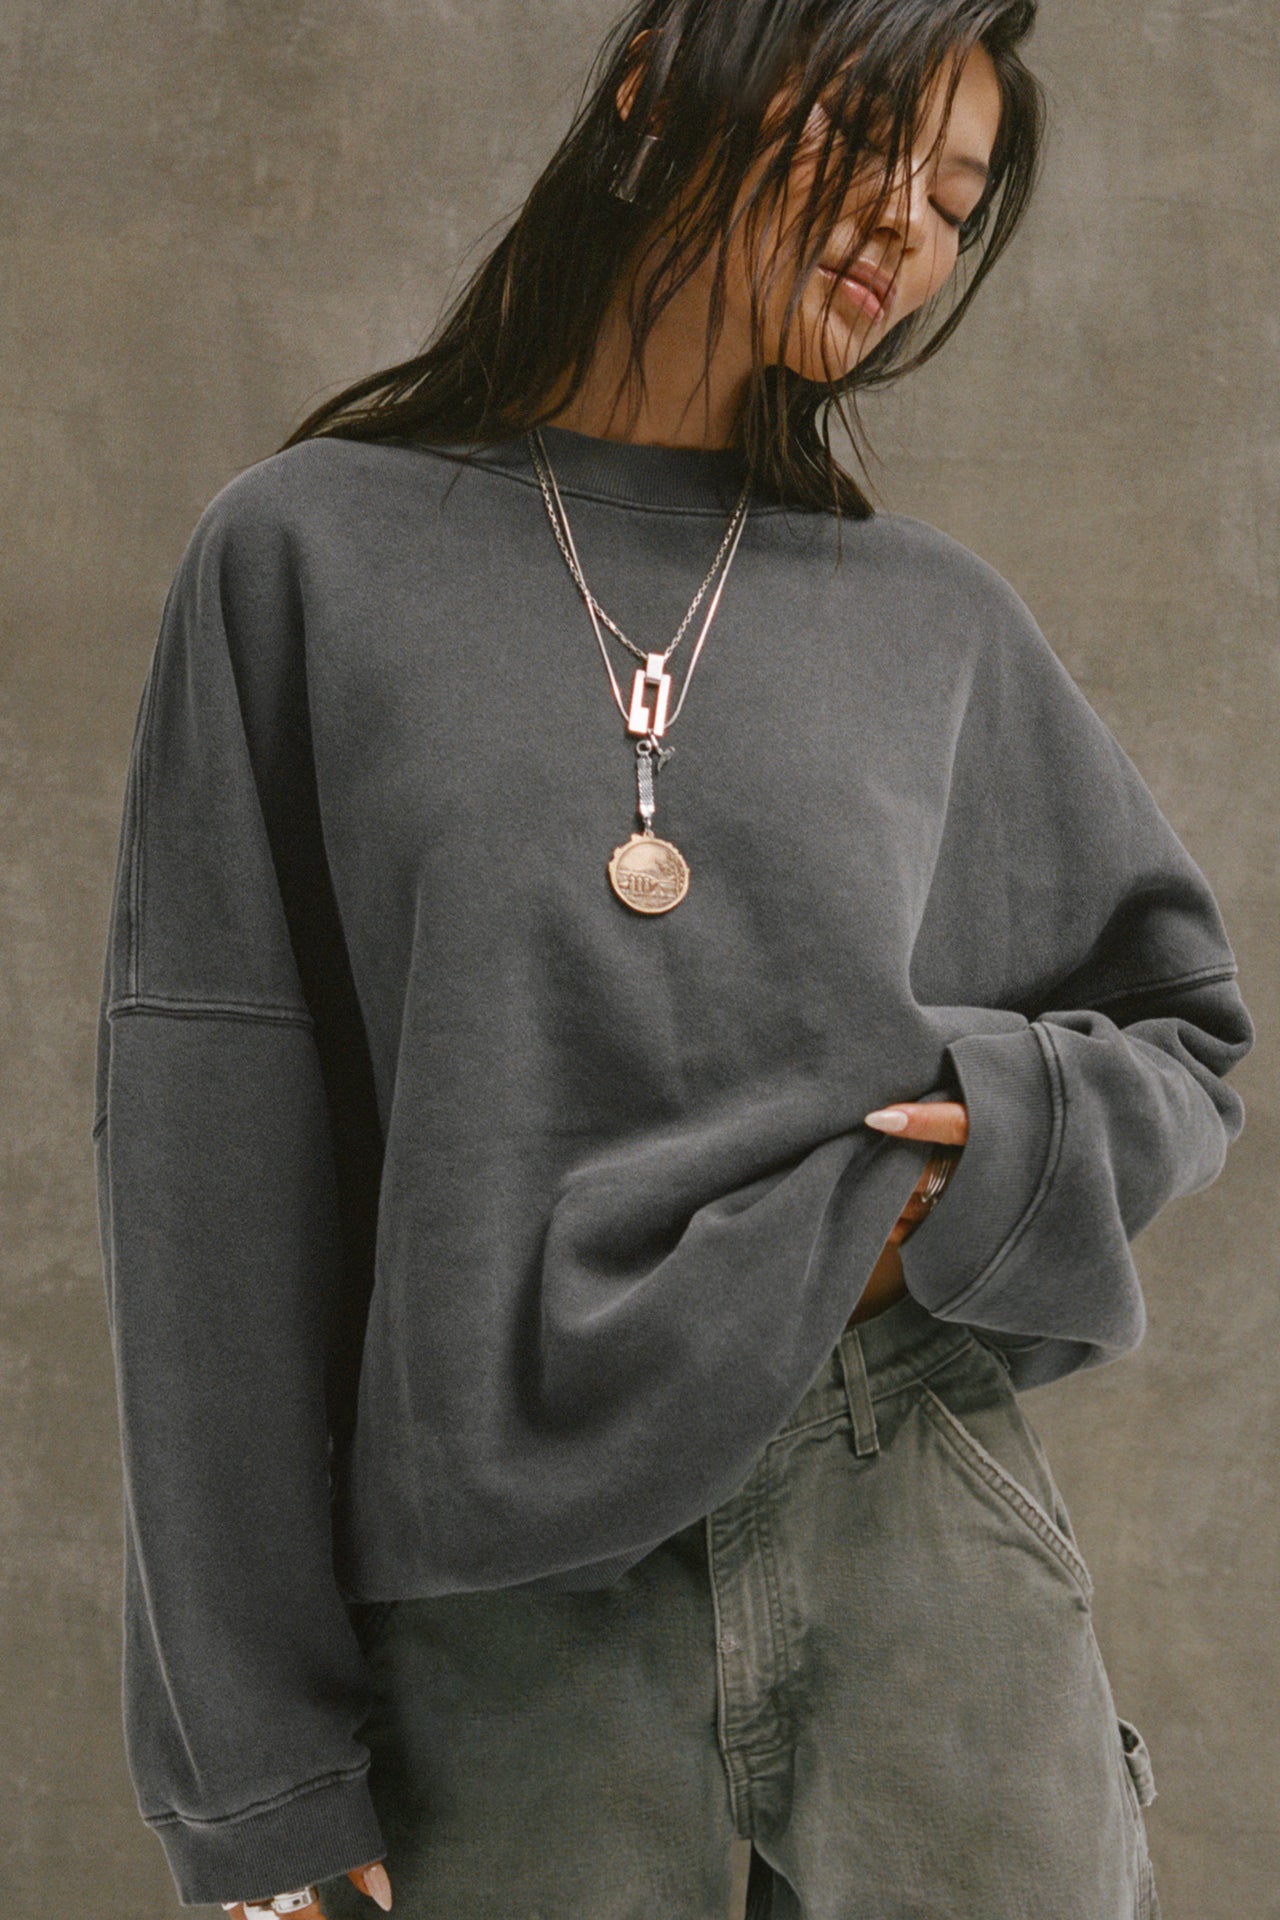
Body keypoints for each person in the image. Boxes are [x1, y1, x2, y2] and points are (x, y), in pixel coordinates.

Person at [92, 2, 1252, 1915]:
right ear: (654, 81)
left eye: (956, 200)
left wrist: (966, 1167)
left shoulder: (930, 621)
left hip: (909, 1520)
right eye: (869, 141)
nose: (905, 226)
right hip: (500, 1604)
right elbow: (209, 1185)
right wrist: (259, 1776)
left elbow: (1180, 1027)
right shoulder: (305, 559)